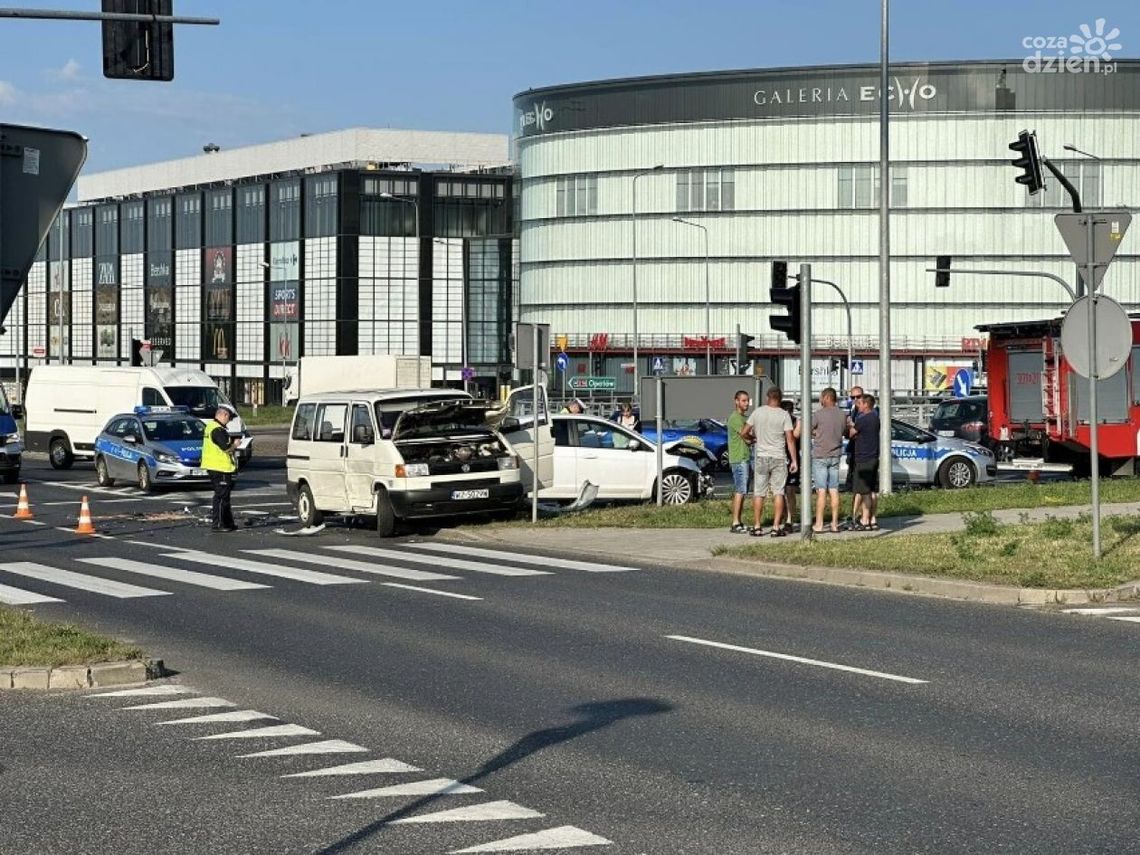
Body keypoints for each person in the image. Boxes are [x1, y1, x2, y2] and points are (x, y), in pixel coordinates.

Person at [742, 386, 797, 537]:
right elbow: (790, 440)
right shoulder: (784, 415)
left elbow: (744, 432)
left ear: (768, 397)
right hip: (778, 457)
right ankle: (775, 527)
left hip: (761, 456)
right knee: (778, 492)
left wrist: (753, 439)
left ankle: (757, 526)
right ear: (780, 398)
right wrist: (794, 460)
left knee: (759, 493)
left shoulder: (758, 412)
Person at [811, 387, 847, 533]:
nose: (820, 400)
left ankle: (819, 524)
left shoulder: (818, 414)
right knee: (834, 490)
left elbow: (808, 429)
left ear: (826, 397)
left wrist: (816, 433)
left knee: (821, 490)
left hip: (820, 455)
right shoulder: (842, 415)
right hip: (836, 455)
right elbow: (844, 431)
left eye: (821, 397)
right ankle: (834, 523)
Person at [202, 403, 239, 532]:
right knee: (221, 497)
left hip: (217, 467)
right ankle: (218, 524)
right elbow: (226, 448)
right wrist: (235, 445)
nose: (229, 420)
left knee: (224, 496)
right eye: (229, 417)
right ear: (224, 414)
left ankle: (228, 523)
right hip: (219, 468)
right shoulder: (217, 430)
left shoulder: (212, 427)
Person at [850, 393, 881, 531]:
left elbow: (852, 433)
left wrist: (851, 425)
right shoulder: (875, 417)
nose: (858, 406)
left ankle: (864, 520)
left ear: (866, 404)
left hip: (863, 458)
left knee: (864, 492)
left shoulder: (863, 419)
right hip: (873, 457)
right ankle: (872, 518)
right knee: (872, 490)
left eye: (860, 403)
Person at [726, 389, 753, 533]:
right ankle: (735, 522)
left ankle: (739, 521)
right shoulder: (735, 418)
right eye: (743, 400)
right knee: (740, 490)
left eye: (747, 400)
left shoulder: (744, 418)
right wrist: (754, 439)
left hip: (745, 457)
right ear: (736, 401)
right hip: (739, 458)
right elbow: (746, 436)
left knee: (743, 490)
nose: (746, 403)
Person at [773, 399, 802, 532]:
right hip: (779, 458)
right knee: (780, 491)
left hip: (792, 459)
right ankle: (783, 517)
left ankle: (790, 519)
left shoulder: (796, 422)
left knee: (790, 490)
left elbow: (795, 436)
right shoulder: (778, 423)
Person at [843, 384, 864, 529]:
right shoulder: (853, 410)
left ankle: (859, 516)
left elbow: (854, 432)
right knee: (855, 487)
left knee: (861, 487)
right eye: (852, 397)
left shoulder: (867, 412)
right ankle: (859, 515)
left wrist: (850, 427)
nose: (855, 400)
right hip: (854, 451)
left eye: (858, 397)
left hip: (862, 453)